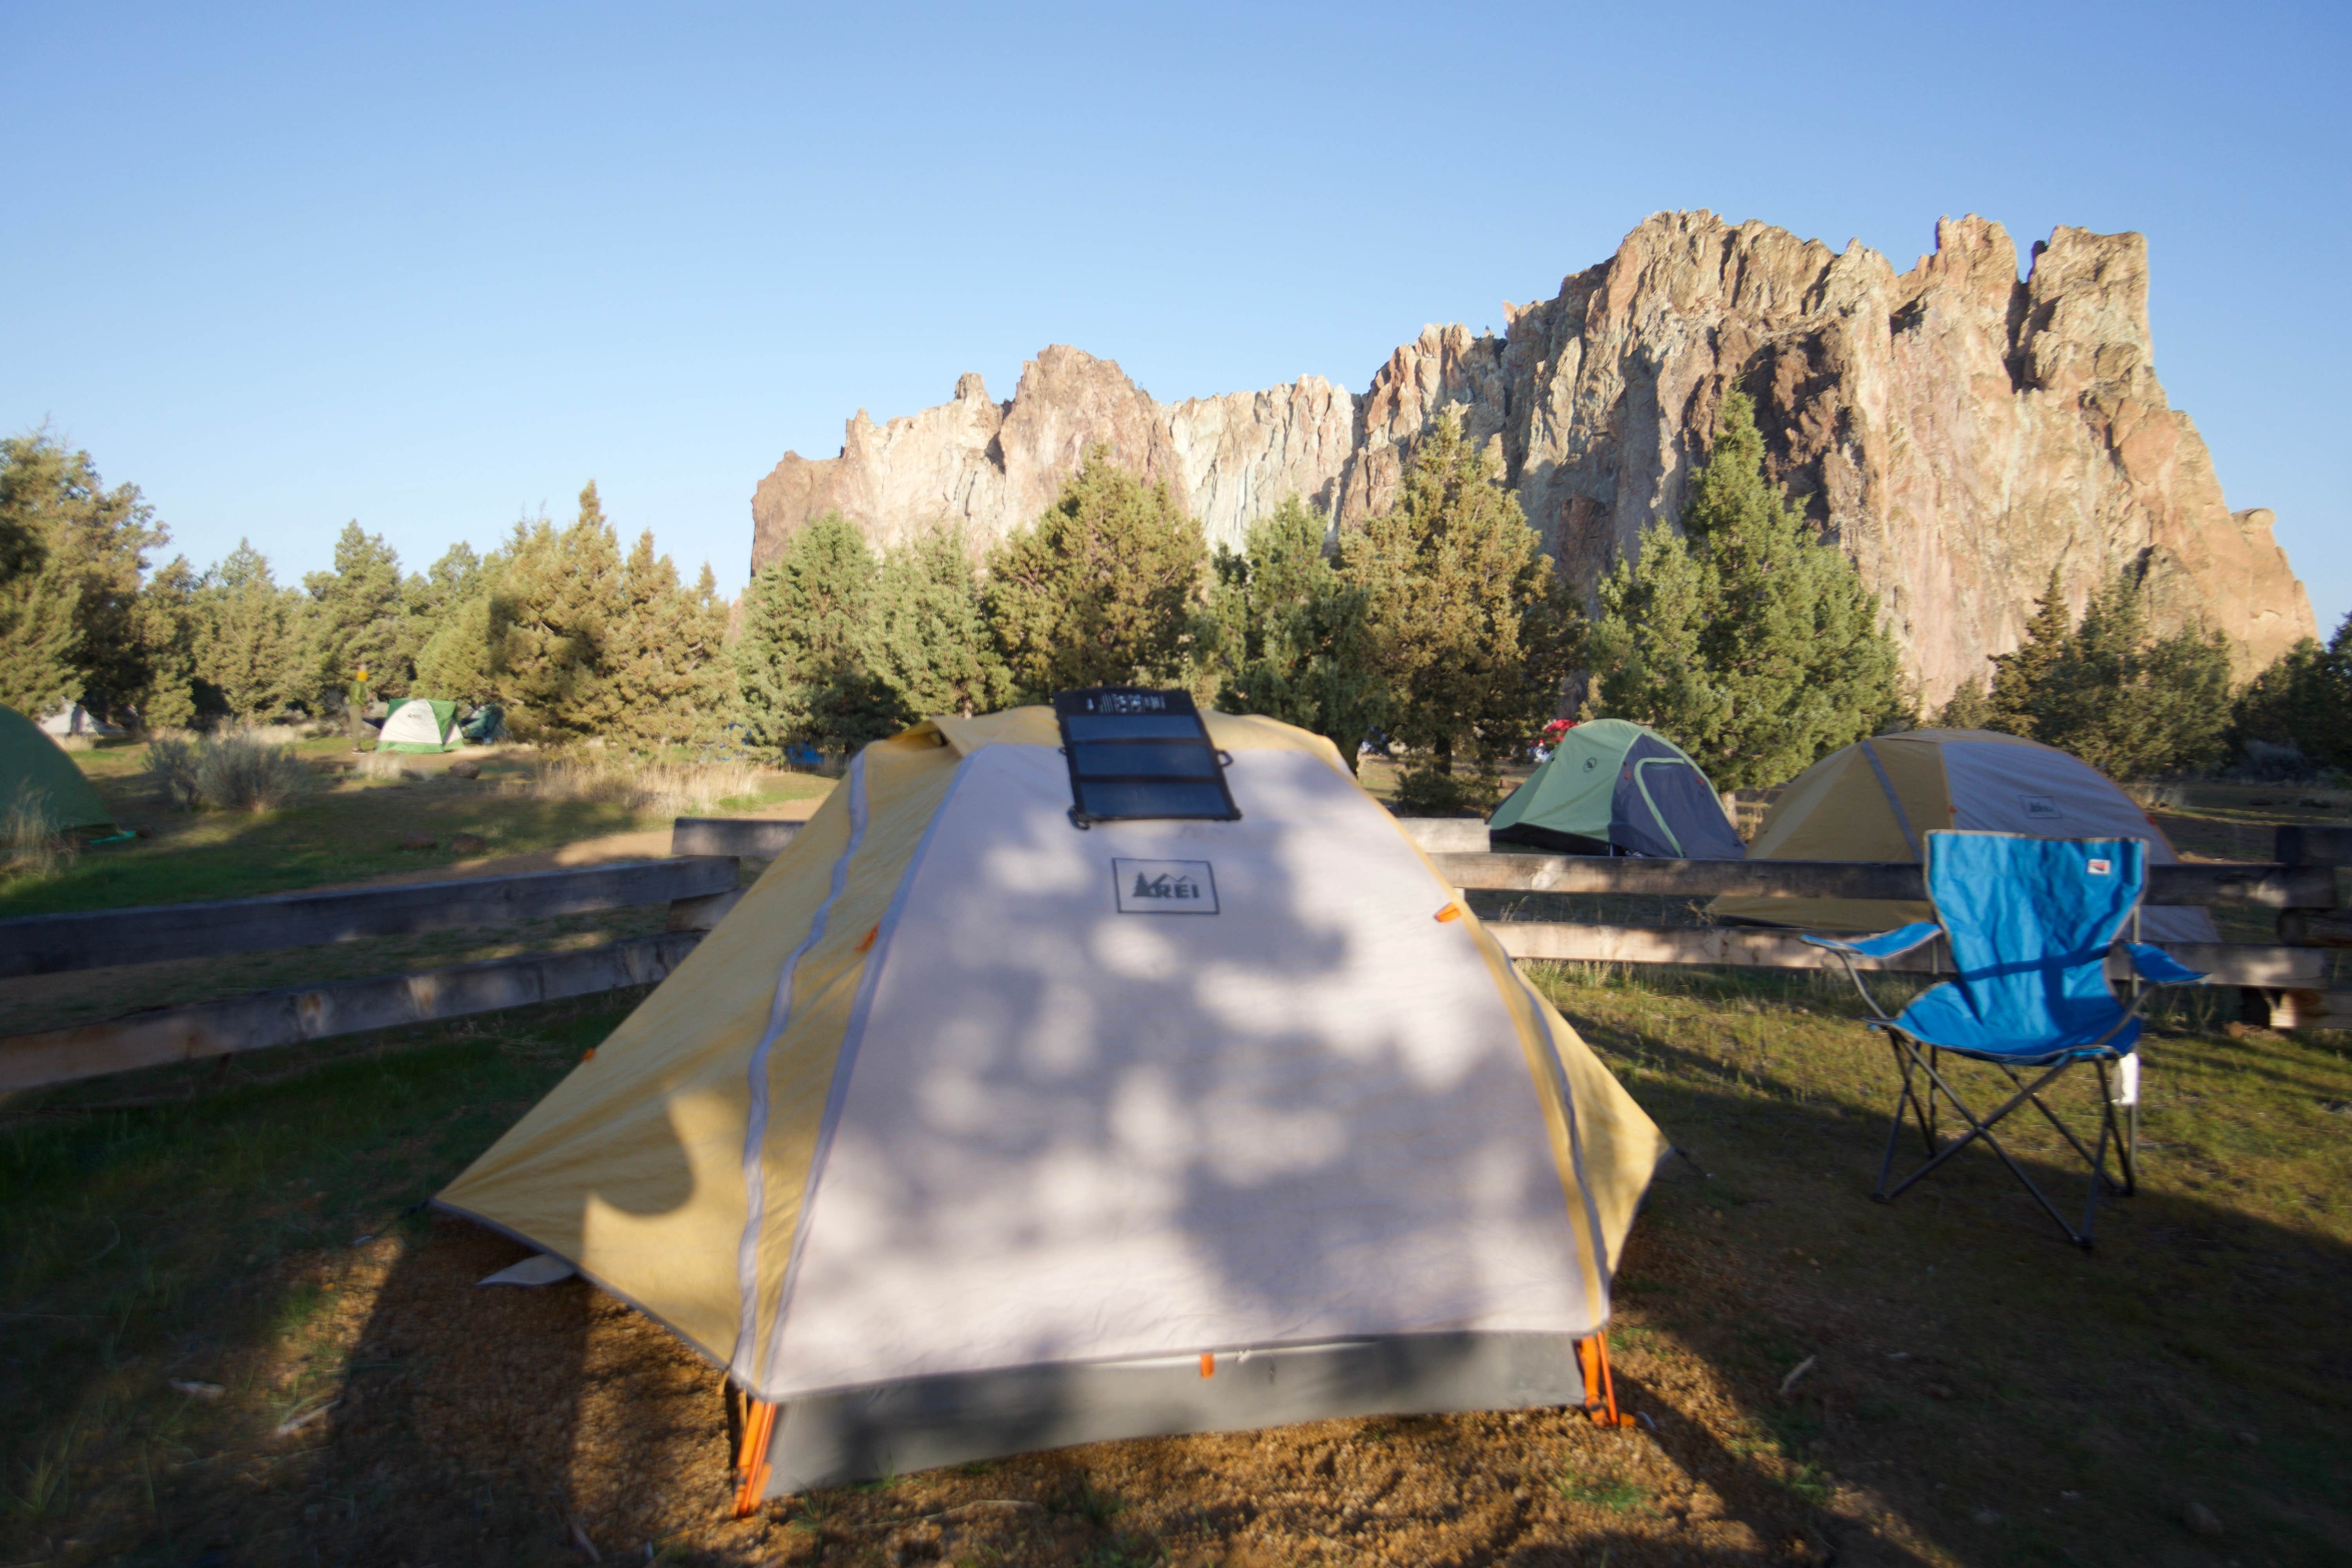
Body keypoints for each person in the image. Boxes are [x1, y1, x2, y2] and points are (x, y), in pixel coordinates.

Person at [346, 666, 370, 751]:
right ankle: (356, 748)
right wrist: (364, 705)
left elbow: (354, 697)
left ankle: (357, 747)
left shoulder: (354, 683)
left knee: (356, 728)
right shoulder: (359, 685)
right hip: (356, 708)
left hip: (353, 707)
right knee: (357, 728)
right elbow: (357, 698)